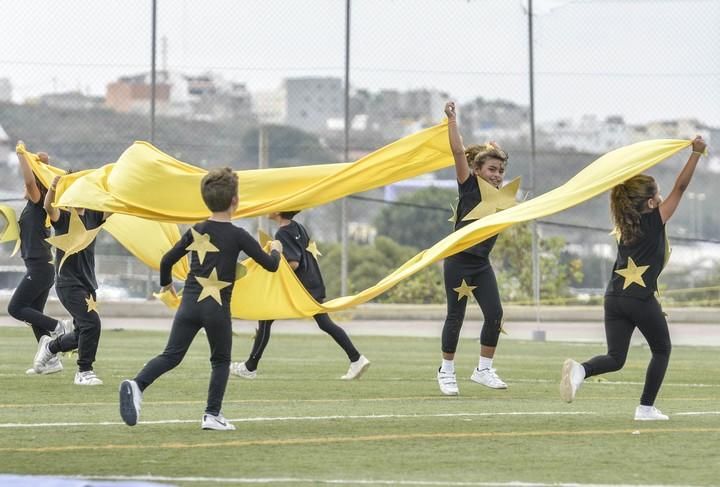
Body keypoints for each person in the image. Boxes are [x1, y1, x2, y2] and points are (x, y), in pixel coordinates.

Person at [119, 168, 283, 431]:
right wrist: (276, 249)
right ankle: (212, 414)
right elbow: (271, 266)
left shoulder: (197, 230)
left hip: (189, 305)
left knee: (171, 355)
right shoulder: (238, 234)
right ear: (235, 201)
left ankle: (137, 385)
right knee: (220, 361)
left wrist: (167, 285)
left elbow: (167, 260)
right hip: (216, 309)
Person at [560, 136, 708, 421]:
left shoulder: (624, 224)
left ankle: (581, 370)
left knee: (616, 358)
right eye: (659, 195)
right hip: (639, 299)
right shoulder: (654, 220)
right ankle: (645, 408)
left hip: (614, 298)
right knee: (662, 349)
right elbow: (682, 186)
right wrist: (696, 154)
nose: (664, 197)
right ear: (652, 202)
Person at [229, 211, 370, 381]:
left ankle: (250, 368)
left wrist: (272, 263)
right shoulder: (297, 227)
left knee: (266, 318)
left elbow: (293, 263)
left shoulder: (282, 232)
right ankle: (356, 359)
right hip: (311, 283)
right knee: (324, 323)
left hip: (301, 288)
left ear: (279, 212)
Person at [437, 101, 510, 396]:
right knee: (456, 316)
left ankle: (483, 369)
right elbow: (457, 151)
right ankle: (446, 371)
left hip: (481, 265)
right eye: (491, 169)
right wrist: (453, 121)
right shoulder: (468, 185)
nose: (497, 174)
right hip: (458, 262)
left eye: (501, 170)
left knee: (495, 314)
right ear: (477, 170)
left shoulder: (503, 197)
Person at [33, 173, 111, 385]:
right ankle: (84, 371)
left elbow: (114, 205)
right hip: (68, 283)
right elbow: (49, 208)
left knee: (82, 332)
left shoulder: (94, 216)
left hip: (87, 283)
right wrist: (54, 185)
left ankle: (50, 347)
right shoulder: (65, 218)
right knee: (92, 324)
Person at [8, 142, 72, 375]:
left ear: (39, 187)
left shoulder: (38, 202)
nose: (27, 187)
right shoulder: (37, 202)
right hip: (42, 267)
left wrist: (21, 156)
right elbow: (36, 180)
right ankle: (51, 361)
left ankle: (59, 327)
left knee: (15, 308)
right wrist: (41, 162)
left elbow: (29, 182)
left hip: (40, 267)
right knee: (35, 316)